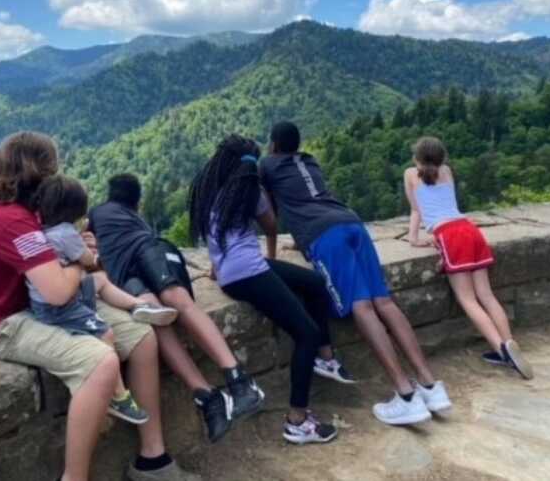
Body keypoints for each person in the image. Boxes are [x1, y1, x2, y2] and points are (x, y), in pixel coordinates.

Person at [0, 132, 199, 481]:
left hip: (39, 307)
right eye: (51, 168)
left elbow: (68, 278)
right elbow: (60, 291)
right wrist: (80, 261)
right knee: (99, 362)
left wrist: (83, 253)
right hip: (5, 323)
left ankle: (153, 460)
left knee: (140, 337)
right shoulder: (13, 221)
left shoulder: (32, 216)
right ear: (37, 171)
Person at [260, 121, 452, 426]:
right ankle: (430, 385)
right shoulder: (309, 160)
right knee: (384, 302)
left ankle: (405, 395)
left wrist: (271, 254)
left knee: (361, 307)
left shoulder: (267, 165)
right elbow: (308, 196)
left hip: (325, 236)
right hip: (351, 223)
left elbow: (270, 214)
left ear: (273, 145)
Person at [189, 135, 355, 445]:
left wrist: (217, 268)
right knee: (305, 333)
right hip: (250, 271)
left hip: (232, 272)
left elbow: (216, 236)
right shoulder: (251, 191)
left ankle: (326, 355)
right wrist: (271, 256)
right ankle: (298, 419)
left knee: (315, 283)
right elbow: (270, 226)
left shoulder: (210, 189)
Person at [88, 174, 264, 443]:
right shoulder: (136, 218)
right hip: (141, 259)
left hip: (127, 268)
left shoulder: (97, 213)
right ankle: (212, 395)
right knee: (158, 314)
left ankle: (238, 383)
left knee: (169, 302)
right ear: (137, 202)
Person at [31, 174, 179, 424]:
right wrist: (90, 250)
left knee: (99, 282)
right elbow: (89, 262)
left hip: (53, 297)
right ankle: (118, 396)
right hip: (60, 308)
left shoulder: (42, 231)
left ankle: (139, 305)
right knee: (106, 334)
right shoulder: (66, 233)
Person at [406, 136, 533, 379]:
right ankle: (508, 341)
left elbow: (415, 210)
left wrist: (413, 239)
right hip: (469, 229)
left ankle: (502, 351)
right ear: (443, 158)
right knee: (486, 295)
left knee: (468, 300)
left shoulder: (410, 174)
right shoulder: (446, 171)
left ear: (417, 158)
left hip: (449, 235)